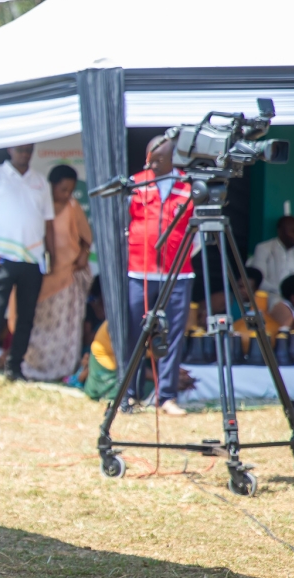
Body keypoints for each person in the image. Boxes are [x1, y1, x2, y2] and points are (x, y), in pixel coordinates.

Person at [0, 144, 55, 387]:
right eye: (20, 149)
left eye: (29, 150)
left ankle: (14, 367)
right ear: (10, 150)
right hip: (2, 257)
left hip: (32, 258)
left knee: (26, 316)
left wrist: (51, 254)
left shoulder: (40, 182)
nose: (24, 154)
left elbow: (48, 222)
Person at [124, 135, 194, 416]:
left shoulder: (189, 187)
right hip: (139, 272)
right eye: (149, 158)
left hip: (178, 274)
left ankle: (166, 397)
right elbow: (125, 223)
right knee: (134, 334)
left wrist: (180, 253)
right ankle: (130, 395)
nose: (149, 163)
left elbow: (197, 233)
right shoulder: (136, 182)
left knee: (173, 335)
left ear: (171, 159)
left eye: (157, 160)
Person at [20, 165, 93, 381]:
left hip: (68, 276)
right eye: (63, 189)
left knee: (65, 329)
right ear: (50, 186)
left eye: (70, 190)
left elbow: (86, 239)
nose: (67, 194)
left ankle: (62, 371)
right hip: (42, 278)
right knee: (40, 326)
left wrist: (83, 254)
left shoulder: (73, 206)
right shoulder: (37, 206)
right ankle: (34, 368)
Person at [247, 216, 294, 304]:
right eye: (293, 231)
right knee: (277, 303)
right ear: (280, 232)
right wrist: (282, 291)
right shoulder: (264, 249)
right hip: (274, 294)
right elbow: (259, 280)